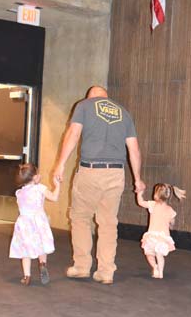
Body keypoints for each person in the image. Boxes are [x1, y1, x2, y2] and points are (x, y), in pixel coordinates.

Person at [53, 86, 145, 285]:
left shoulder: (84, 106)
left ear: (89, 96)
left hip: (91, 171)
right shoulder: (124, 113)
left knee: (80, 218)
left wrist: (60, 164)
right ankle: (106, 271)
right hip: (116, 173)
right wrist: (137, 179)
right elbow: (134, 149)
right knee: (108, 222)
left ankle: (81, 267)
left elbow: (73, 134)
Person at [9, 163, 60, 286]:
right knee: (41, 245)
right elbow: (54, 198)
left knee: (25, 250)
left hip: (24, 223)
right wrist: (57, 185)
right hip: (38, 221)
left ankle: (27, 276)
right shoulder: (40, 188)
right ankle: (42, 264)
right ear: (35, 177)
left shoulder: (19, 193)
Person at [136, 183, 186, 279]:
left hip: (152, 237)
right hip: (163, 238)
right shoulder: (170, 210)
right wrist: (170, 225)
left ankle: (155, 267)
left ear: (156, 194)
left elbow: (140, 202)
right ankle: (161, 272)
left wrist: (139, 193)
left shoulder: (152, 204)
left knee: (149, 254)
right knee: (159, 255)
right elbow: (172, 222)